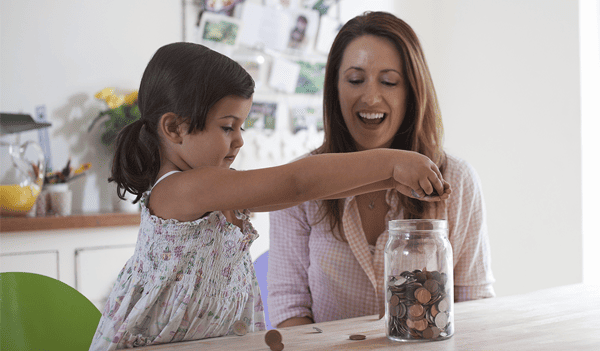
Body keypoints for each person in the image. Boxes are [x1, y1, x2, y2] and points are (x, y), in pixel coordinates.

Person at [89, 42, 451, 349]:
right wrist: (391, 162)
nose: (239, 140)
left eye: (241, 126)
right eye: (227, 126)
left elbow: (303, 193)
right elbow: (297, 184)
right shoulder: (180, 189)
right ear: (174, 128)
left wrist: (388, 180)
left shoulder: (214, 189)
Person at [268, 11, 496, 329]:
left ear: (412, 93)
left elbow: (475, 303)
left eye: (389, 81)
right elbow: (287, 308)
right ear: (335, 88)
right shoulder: (299, 185)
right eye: (355, 80)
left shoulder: (456, 179)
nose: (371, 97)